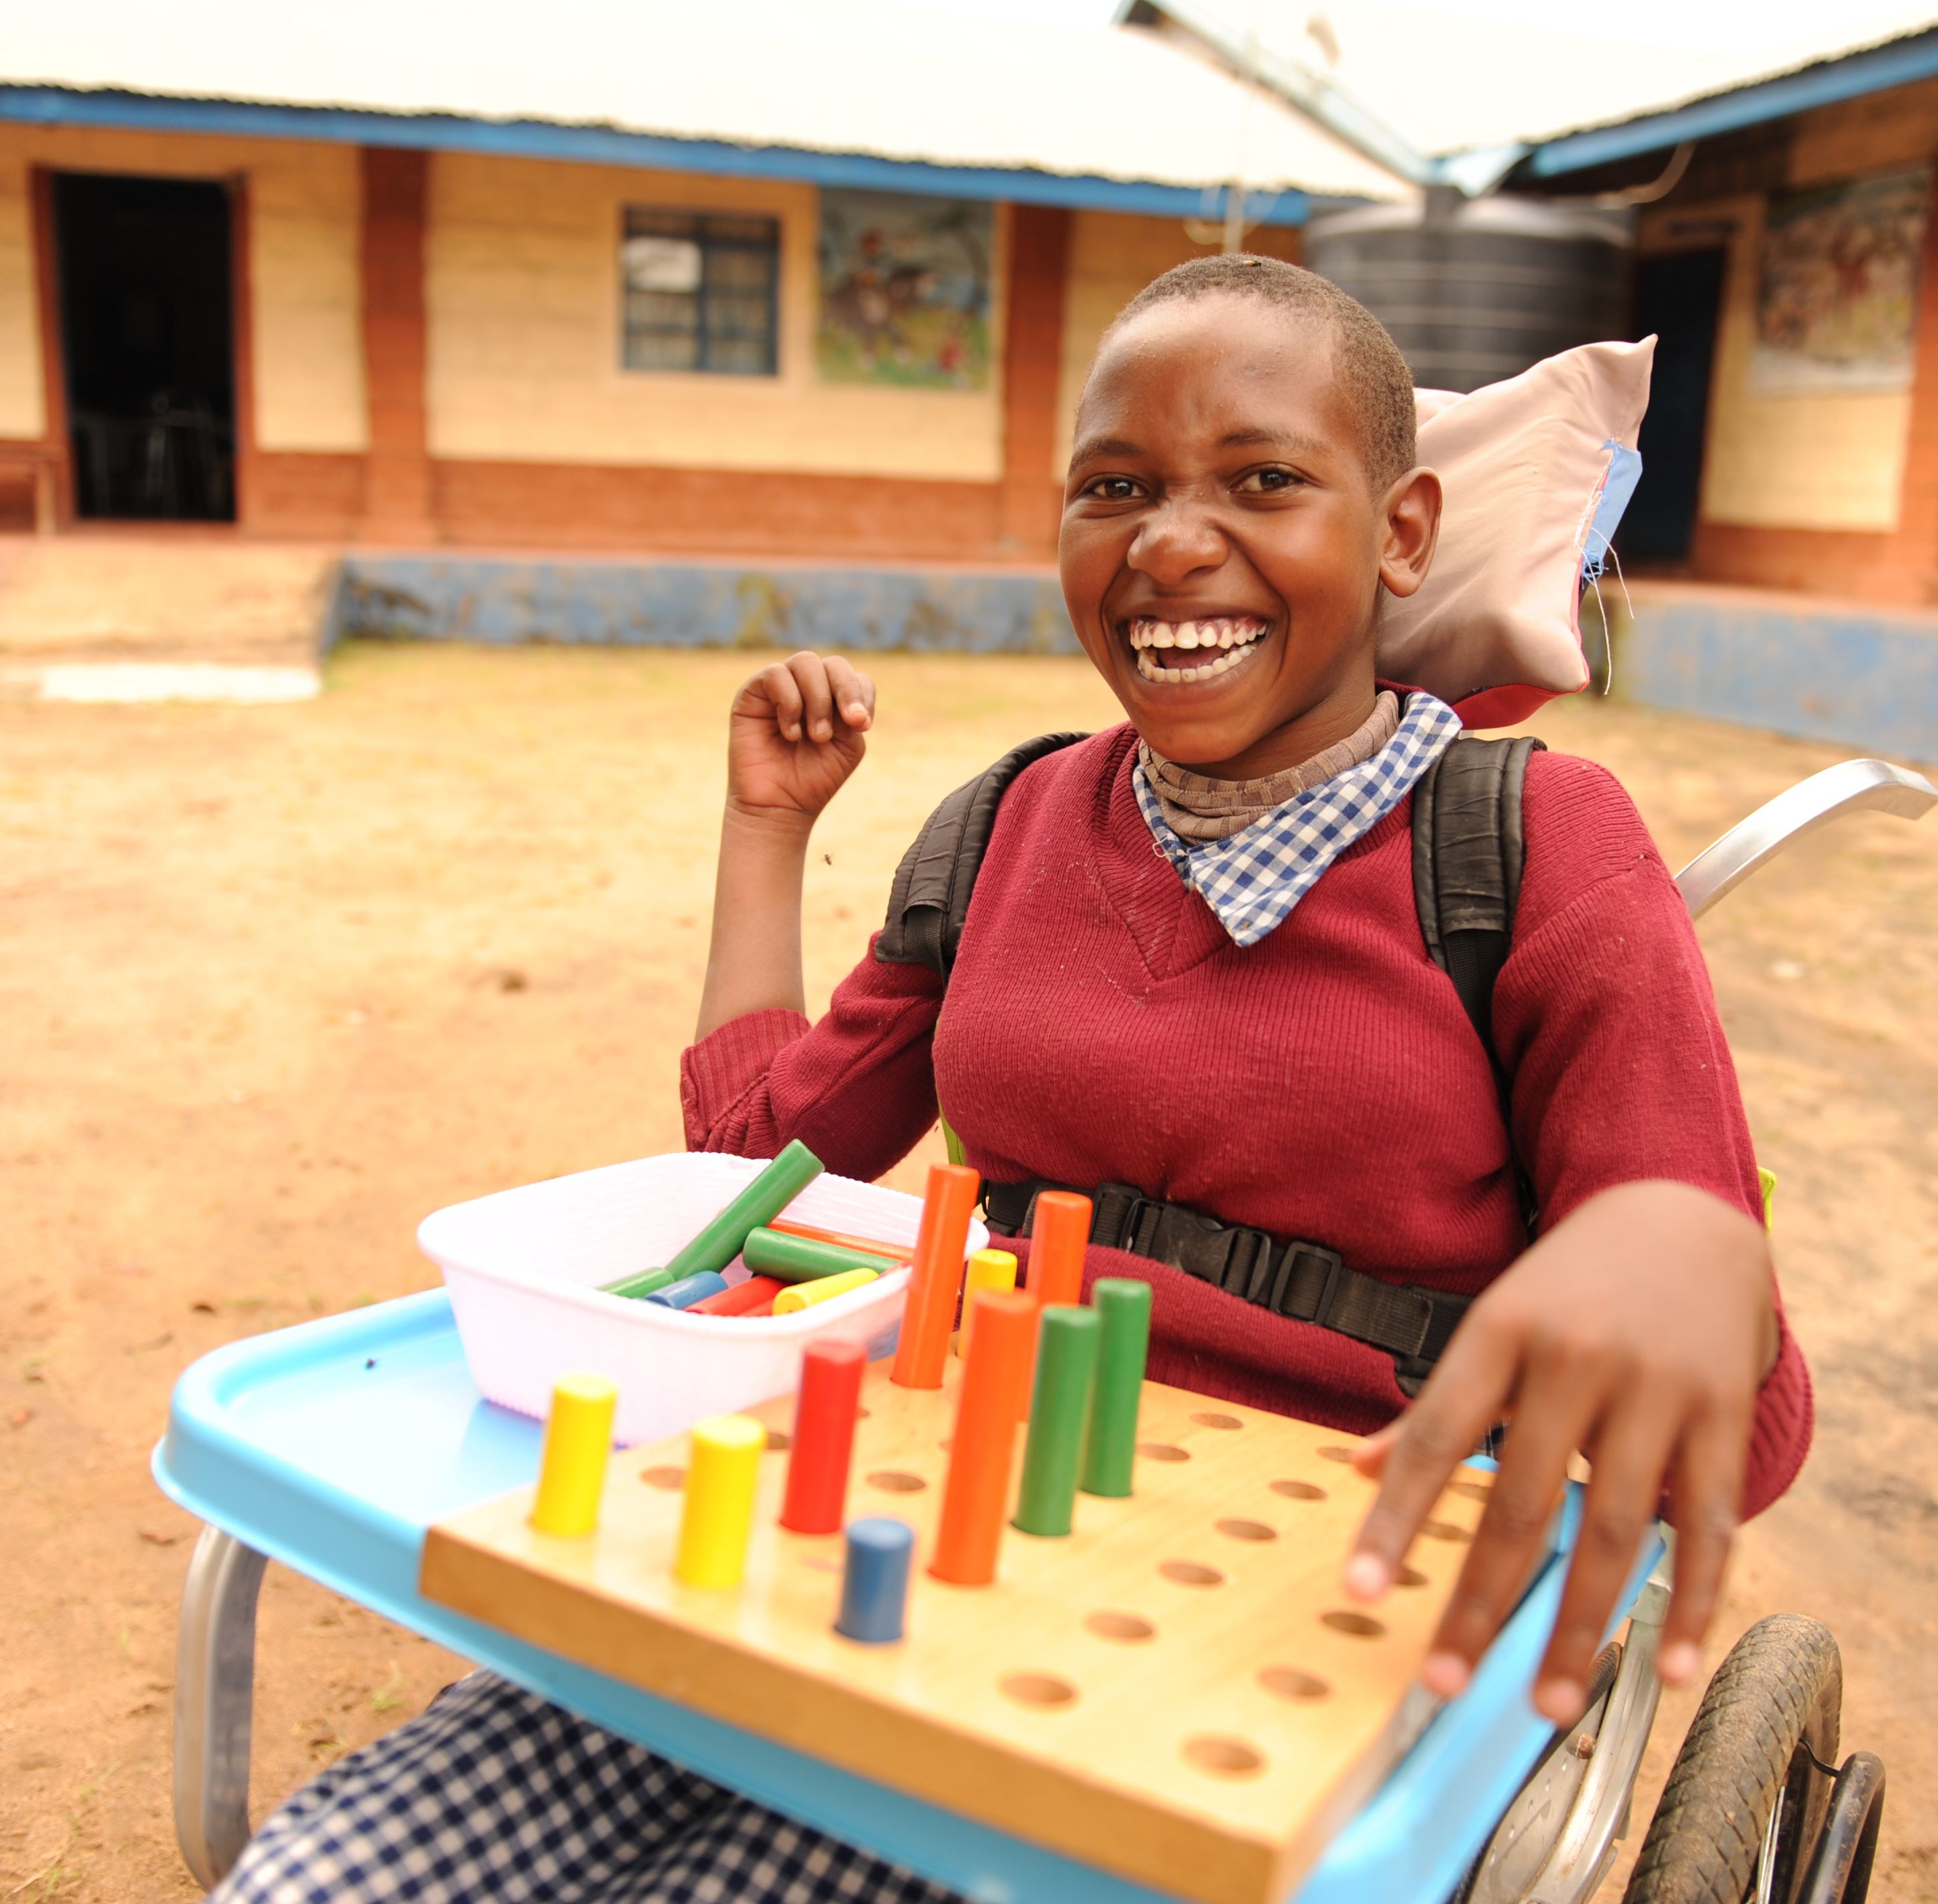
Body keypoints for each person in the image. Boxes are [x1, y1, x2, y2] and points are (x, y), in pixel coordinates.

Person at [215, 255, 1809, 1904]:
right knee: (321, 1880)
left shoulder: (1534, 846)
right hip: (908, 1503)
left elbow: (1741, 1427)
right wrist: (768, 830)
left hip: (1292, 1602)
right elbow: (758, 1167)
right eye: (1114, 488)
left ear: (1400, 532)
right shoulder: (1007, 828)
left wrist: (1691, 1244)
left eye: (1262, 480)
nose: (1170, 542)